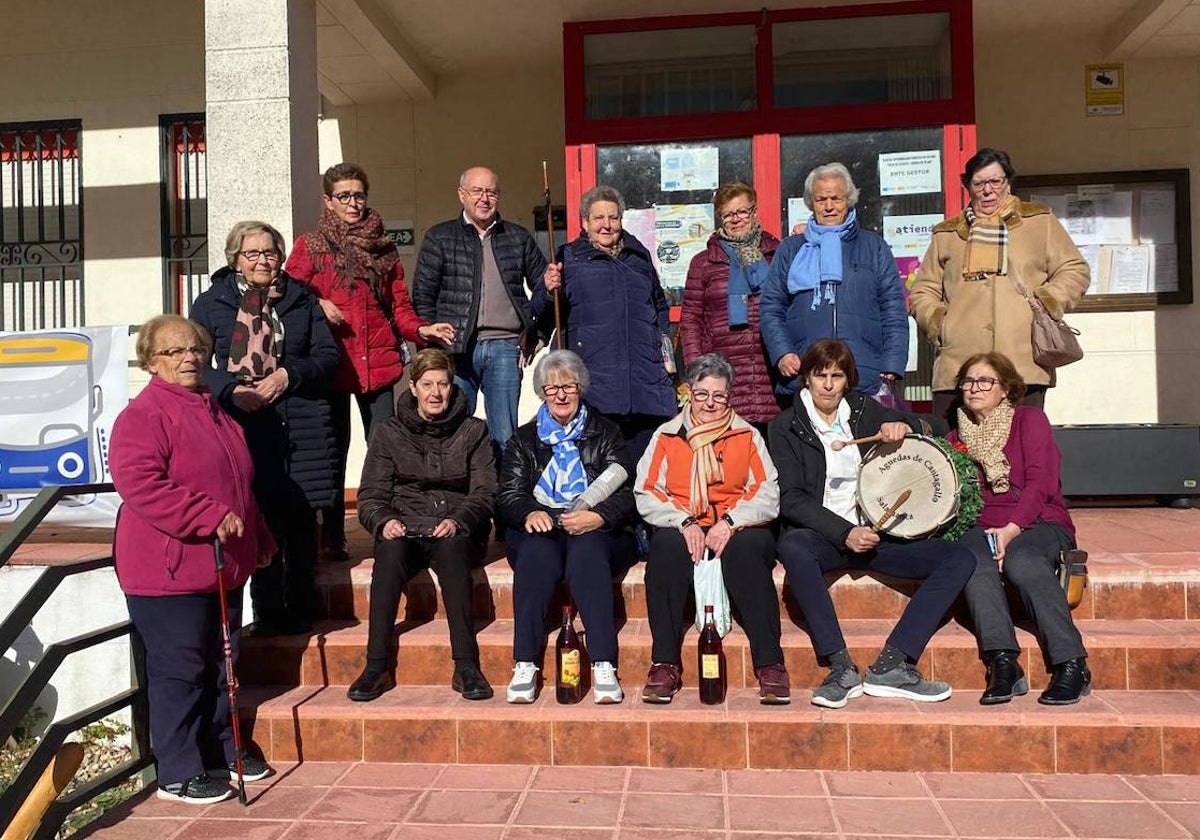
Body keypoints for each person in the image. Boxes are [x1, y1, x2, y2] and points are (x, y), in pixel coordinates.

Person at [110, 315, 275, 804]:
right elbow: (142, 484)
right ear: (150, 362)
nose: (189, 358)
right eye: (174, 352)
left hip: (222, 564)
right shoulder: (143, 415)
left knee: (222, 662)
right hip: (168, 569)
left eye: (196, 349)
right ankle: (178, 771)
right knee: (180, 668)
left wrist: (258, 534)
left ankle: (224, 749)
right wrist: (206, 516)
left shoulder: (214, 410)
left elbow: (238, 485)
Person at [768, 339, 974, 707]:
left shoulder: (863, 411)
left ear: (848, 381)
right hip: (826, 536)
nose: (828, 385)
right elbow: (792, 498)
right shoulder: (786, 426)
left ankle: (893, 664)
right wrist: (845, 533)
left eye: (837, 376)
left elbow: (938, 426)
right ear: (806, 380)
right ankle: (840, 666)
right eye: (820, 376)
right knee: (793, 548)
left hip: (878, 534)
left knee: (959, 558)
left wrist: (902, 424)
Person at [286, 162, 455, 562]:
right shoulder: (311, 245)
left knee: (385, 446)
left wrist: (421, 331)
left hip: (377, 363)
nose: (353, 203)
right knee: (332, 450)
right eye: (343, 195)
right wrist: (317, 301)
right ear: (329, 200)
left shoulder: (384, 246)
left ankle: (384, 523)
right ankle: (331, 534)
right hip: (330, 364)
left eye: (358, 195)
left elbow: (399, 304)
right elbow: (289, 291)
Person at [190, 221, 339, 636]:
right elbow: (197, 363)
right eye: (251, 253)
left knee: (301, 521)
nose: (262, 261)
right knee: (260, 518)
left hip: (301, 423)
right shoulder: (212, 303)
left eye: (270, 252)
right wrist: (231, 391)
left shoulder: (301, 299)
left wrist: (287, 375)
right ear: (235, 258)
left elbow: (327, 357)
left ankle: (304, 610)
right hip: (243, 425)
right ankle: (269, 614)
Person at [635, 353, 789, 704]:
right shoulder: (667, 435)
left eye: (718, 395)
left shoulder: (746, 434)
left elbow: (767, 492)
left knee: (747, 551)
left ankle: (770, 664)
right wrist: (684, 521)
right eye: (702, 393)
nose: (710, 403)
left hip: (738, 521)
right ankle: (664, 662)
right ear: (689, 392)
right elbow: (647, 490)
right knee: (666, 550)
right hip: (683, 519)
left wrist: (729, 522)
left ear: (729, 396)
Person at [349, 348, 497, 702]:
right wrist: (383, 522)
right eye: (427, 384)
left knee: (455, 557)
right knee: (386, 562)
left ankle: (466, 665)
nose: (435, 393)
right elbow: (370, 494)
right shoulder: (388, 432)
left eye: (443, 384)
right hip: (405, 526)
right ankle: (375, 665)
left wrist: (459, 520)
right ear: (412, 387)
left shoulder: (474, 430)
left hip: (455, 527)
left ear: (452, 386)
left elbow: (485, 491)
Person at [948, 352, 1090, 705]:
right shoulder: (954, 437)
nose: (974, 388)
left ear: (1006, 390)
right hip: (982, 527)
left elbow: (1041, 483)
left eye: (985, 381)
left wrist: (1011, 530)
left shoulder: (1030, 420)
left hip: (1039, 520)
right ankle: (1004, 664)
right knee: (971, 561)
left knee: (1022, 563)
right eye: (968, 381)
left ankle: (1071, 663)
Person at [909, 148, 1090, 422]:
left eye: (996, 181)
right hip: (959, 365)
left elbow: (1074, 269)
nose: (988, 190)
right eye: (979, 183)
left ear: (1008, 182)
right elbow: (923, 291)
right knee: (958, 454)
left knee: (1020, 453)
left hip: (1021, 363)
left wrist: (1046, 302)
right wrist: (941, 323)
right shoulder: (946, 234)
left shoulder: (1039, 223)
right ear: (968, 187)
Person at [497, 350, 636, 704]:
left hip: (593, 524)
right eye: (552, 387)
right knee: (536, 557)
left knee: (587, 557)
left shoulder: (605, 432)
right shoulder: (524, 439)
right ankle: (525, 663)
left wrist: (600, 516)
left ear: (580, 388)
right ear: (542, 392)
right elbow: (509, 493)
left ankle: (604, 663)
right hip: (542, 524)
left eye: (568, 386)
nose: (560, 395)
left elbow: (629, 491)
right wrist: (529, 512)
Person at [411, 165, 556, 453]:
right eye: (477, 191)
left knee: (505, 435)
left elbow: (547, 290)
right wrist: (430, 348)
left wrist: (539, 332)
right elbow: (422, 296)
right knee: (453, 431)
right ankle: (459, 497)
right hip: (455, 348)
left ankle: (505, 496)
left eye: (491, 192)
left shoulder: (517, 237)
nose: (484, 198)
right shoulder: (439, 237)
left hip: (505, 347)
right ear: (461, 195)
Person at [545, 185, 677, 465]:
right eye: (598, 218)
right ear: (584, 222)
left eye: (613, 218)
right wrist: (547, 291)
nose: (607, 225)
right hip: (596, 385)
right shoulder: (568, 257)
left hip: (643, 381)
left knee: (645, 471)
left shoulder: (638, 256)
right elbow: (543, 316)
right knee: (602, 473)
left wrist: (662, 347)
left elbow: (659, 307)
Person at [760, 162, 908, 401]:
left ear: (848, 200)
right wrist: (782, 352)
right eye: (821, 200)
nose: (829, 207)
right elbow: (771, 308)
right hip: (807, 372)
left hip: (863, 372)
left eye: (836, 198)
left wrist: (892, 360)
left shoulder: (873, 247)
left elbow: (893, 308)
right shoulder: (792, 248)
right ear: (811, 203)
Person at [681, 181, 782, 428]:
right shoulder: (703, 263)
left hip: (770, 366)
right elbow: (690, 319)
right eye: (728, 214)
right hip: (723, 369)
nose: (736, 219)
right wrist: (698, 370)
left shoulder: (777, 253)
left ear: (754, 212)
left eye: (742, 211)